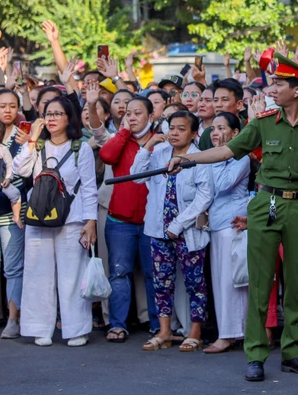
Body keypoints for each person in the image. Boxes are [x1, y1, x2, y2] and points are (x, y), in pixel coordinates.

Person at [164, 53, 298, 382]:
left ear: (297, 90)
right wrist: (190, 159)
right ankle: (256, 353)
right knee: (261, 282)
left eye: (279, 83)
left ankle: (292, 352)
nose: (272, 87)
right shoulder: (263, 122)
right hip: (266, 204)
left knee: (296, 282)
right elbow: (227, 151)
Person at [13, 96, 99, 347]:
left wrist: (90, 221)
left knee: (72, 275)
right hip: (38, 220)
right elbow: (20, 170)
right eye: (48, 114)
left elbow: (90, 188)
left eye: (57, 114)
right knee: (38, 274)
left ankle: (76, 330)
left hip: (71, 220)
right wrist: (31, 140)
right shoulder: (37, 145)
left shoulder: (80, 148)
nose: (51, 118)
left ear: (69, 118)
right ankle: (40, 327)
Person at [131, 111, 213, 353]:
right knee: (161, 282)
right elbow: (136, 177)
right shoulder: (160, 154)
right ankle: (164, 331)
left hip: (187, 231)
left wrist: (178, 224)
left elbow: (204, 196)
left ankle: (195, 333)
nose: (175, 133)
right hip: (157, 229)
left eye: (181, 128)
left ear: (194, 133)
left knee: (194, 282)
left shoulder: (200, 157)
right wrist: (148, 145)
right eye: (172, 128)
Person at [98, 96, 158, 342]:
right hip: (119, 220)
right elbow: (108, 156)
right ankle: (117, 325)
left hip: (151, 221)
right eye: (128, 114)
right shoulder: (121, 139)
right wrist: (123, 132)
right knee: (119, 274)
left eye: (138, 113)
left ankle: (158, 325)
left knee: (153, 274)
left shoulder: (161, 141)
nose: (132, 118)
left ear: (151, 117)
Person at [204, 111, 251, 354]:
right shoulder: (213, 156)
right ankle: (230, 331)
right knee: (220, 280)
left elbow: (223, 184)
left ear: (236, 134)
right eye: (213, 128)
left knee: (233, 281)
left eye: (222, 128)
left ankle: (232, 333)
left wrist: (220, 157)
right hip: (216, 223)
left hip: (234, 223)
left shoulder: (240, 157)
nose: (216, 133)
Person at [0, 89, 27, 339]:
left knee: (13, 268)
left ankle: (13, 319)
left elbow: (28, 170)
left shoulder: (23, 136)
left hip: (13, 211)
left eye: (12, 105)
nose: (7, 110)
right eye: (2, 106)